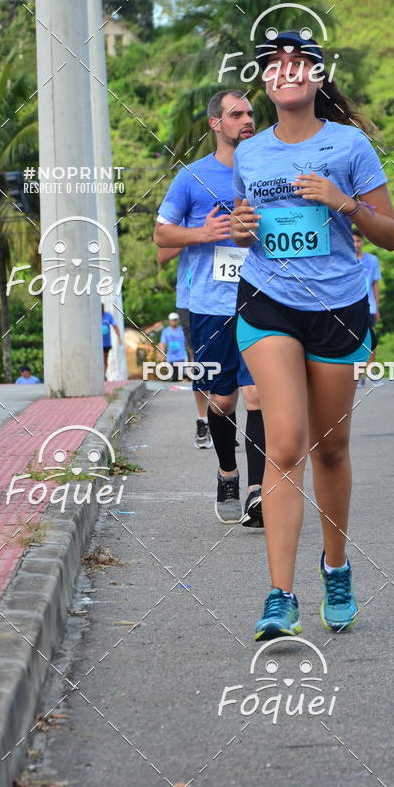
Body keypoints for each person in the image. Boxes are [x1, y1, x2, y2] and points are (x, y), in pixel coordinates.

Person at [230, 30, 394, 640]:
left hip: (337, 303)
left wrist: (342, 202)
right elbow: (250, 225)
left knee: (329, 448)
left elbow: (388, 235)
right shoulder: (250, 153)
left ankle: (336, 567)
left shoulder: (350, 146)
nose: (288, 70)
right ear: (267, 83)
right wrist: (242, 229)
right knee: (285, 444)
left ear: (318, 78)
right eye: (276, 65)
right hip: (267, 297)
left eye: (300, 62)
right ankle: (280, 595)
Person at [153, 90, 266, 527]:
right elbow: (162, 237)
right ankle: (227, 471)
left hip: (262, 300)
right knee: (221, 400)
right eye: (236, 114)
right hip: (209, 304)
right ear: (216, 124)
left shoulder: (268, 171)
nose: (247, 120)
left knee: (256, 394)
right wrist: (203, 234)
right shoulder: (192, 178)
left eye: (251, 113)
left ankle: (257, 492)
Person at [157, 247, 212, 448]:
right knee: (200, 360)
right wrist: (198, 234)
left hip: (230, 296)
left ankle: (225, 420)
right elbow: (162, 255)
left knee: (230, 362)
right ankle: (203, 420)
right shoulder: (184, 217)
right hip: (191, 302)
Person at [352, 227, 381, 385]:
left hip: (368, 305)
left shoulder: (372, 260)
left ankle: (370, 370)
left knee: (371, 338)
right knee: (353, 339)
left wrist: (377, 306)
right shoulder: (344, 259)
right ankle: (358, 374)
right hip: (350, 304)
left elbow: (375, 284)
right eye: (353, 240)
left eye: (358, 240)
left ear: (362, 242)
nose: (355, 244)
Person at [159, 312, 187, 381]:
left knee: (182, 377)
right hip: (171, 358)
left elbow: (188, 343)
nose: (174, 321)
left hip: (182, 357)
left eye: (175, 320)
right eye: (172, 320)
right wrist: (162, 354)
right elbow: (163, 343)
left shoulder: (182, 330)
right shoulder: (165, 331)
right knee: (174, 378)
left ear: (178, 320)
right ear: (169, 321)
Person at [101, 305, 122, 377]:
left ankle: (103, 375)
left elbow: (115, 326)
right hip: (98, 344)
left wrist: (119, 338)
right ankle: (100, 374)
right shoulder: (95, 316)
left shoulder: (108, 316)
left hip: (106, 342)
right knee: (99, 359)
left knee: (104, 359)